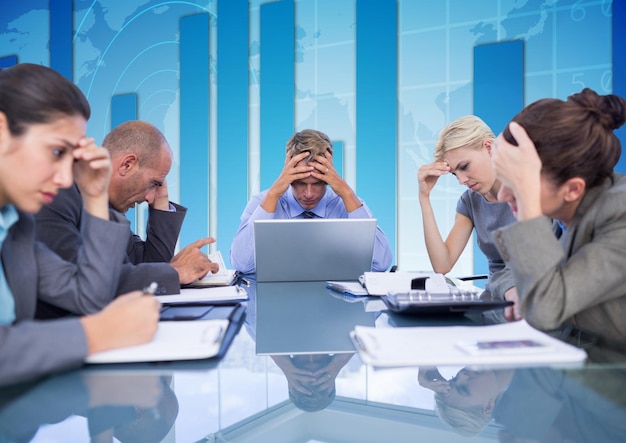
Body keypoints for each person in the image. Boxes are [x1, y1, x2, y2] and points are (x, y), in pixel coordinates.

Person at [0, 63, 160, 386]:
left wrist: (95, 196)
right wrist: (96, 333)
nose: (63, 179)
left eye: (70, 158)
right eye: (56, 151)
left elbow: (89, 297)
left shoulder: (17, 229)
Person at [491, 88, 626, 347]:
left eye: (518, 182)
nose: (503, 195)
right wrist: (520, 292)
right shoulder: (569, 211)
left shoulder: (620, 213)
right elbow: (508, 275)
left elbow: (544, 309)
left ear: (572, 189)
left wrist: (528, 200)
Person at [35, 120, 218, 305]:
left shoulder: (110, 206)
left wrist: (161, 204)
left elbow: (144, 264)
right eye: (154, 183)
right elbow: (92, 282)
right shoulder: (58, 196)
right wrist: (176, 272)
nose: (149, 197)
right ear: (127, 165)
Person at [230, 129, 392, 273]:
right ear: (289, 175)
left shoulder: (348, 203)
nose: (308, 194)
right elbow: (242, 264)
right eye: (300, 183)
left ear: (329, 179)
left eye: (317, 183)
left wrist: (346, 193)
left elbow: (381, 264)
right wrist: (273, 194)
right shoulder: (263, 202)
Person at [417, 116, 520, 320]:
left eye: (464, 166)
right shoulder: (470, 201)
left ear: (489, 148)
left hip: (527, 297)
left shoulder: (528, 186)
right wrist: (424, 198)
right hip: (494, 302)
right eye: (455, 174)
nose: (462, 180)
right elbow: (442, 264)